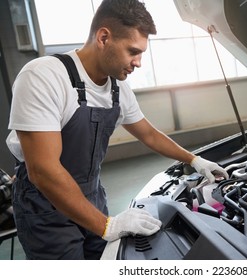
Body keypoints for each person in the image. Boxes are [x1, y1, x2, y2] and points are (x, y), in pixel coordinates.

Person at [6, 0, 228, 260]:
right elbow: (43, 171)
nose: (138, 63)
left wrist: (195, 160)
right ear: (103, 38)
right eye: (133, 51)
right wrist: (107, 225)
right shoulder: (44, 76)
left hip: (91, 195)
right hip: (45, 207)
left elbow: (148, 134)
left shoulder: (117, 87)